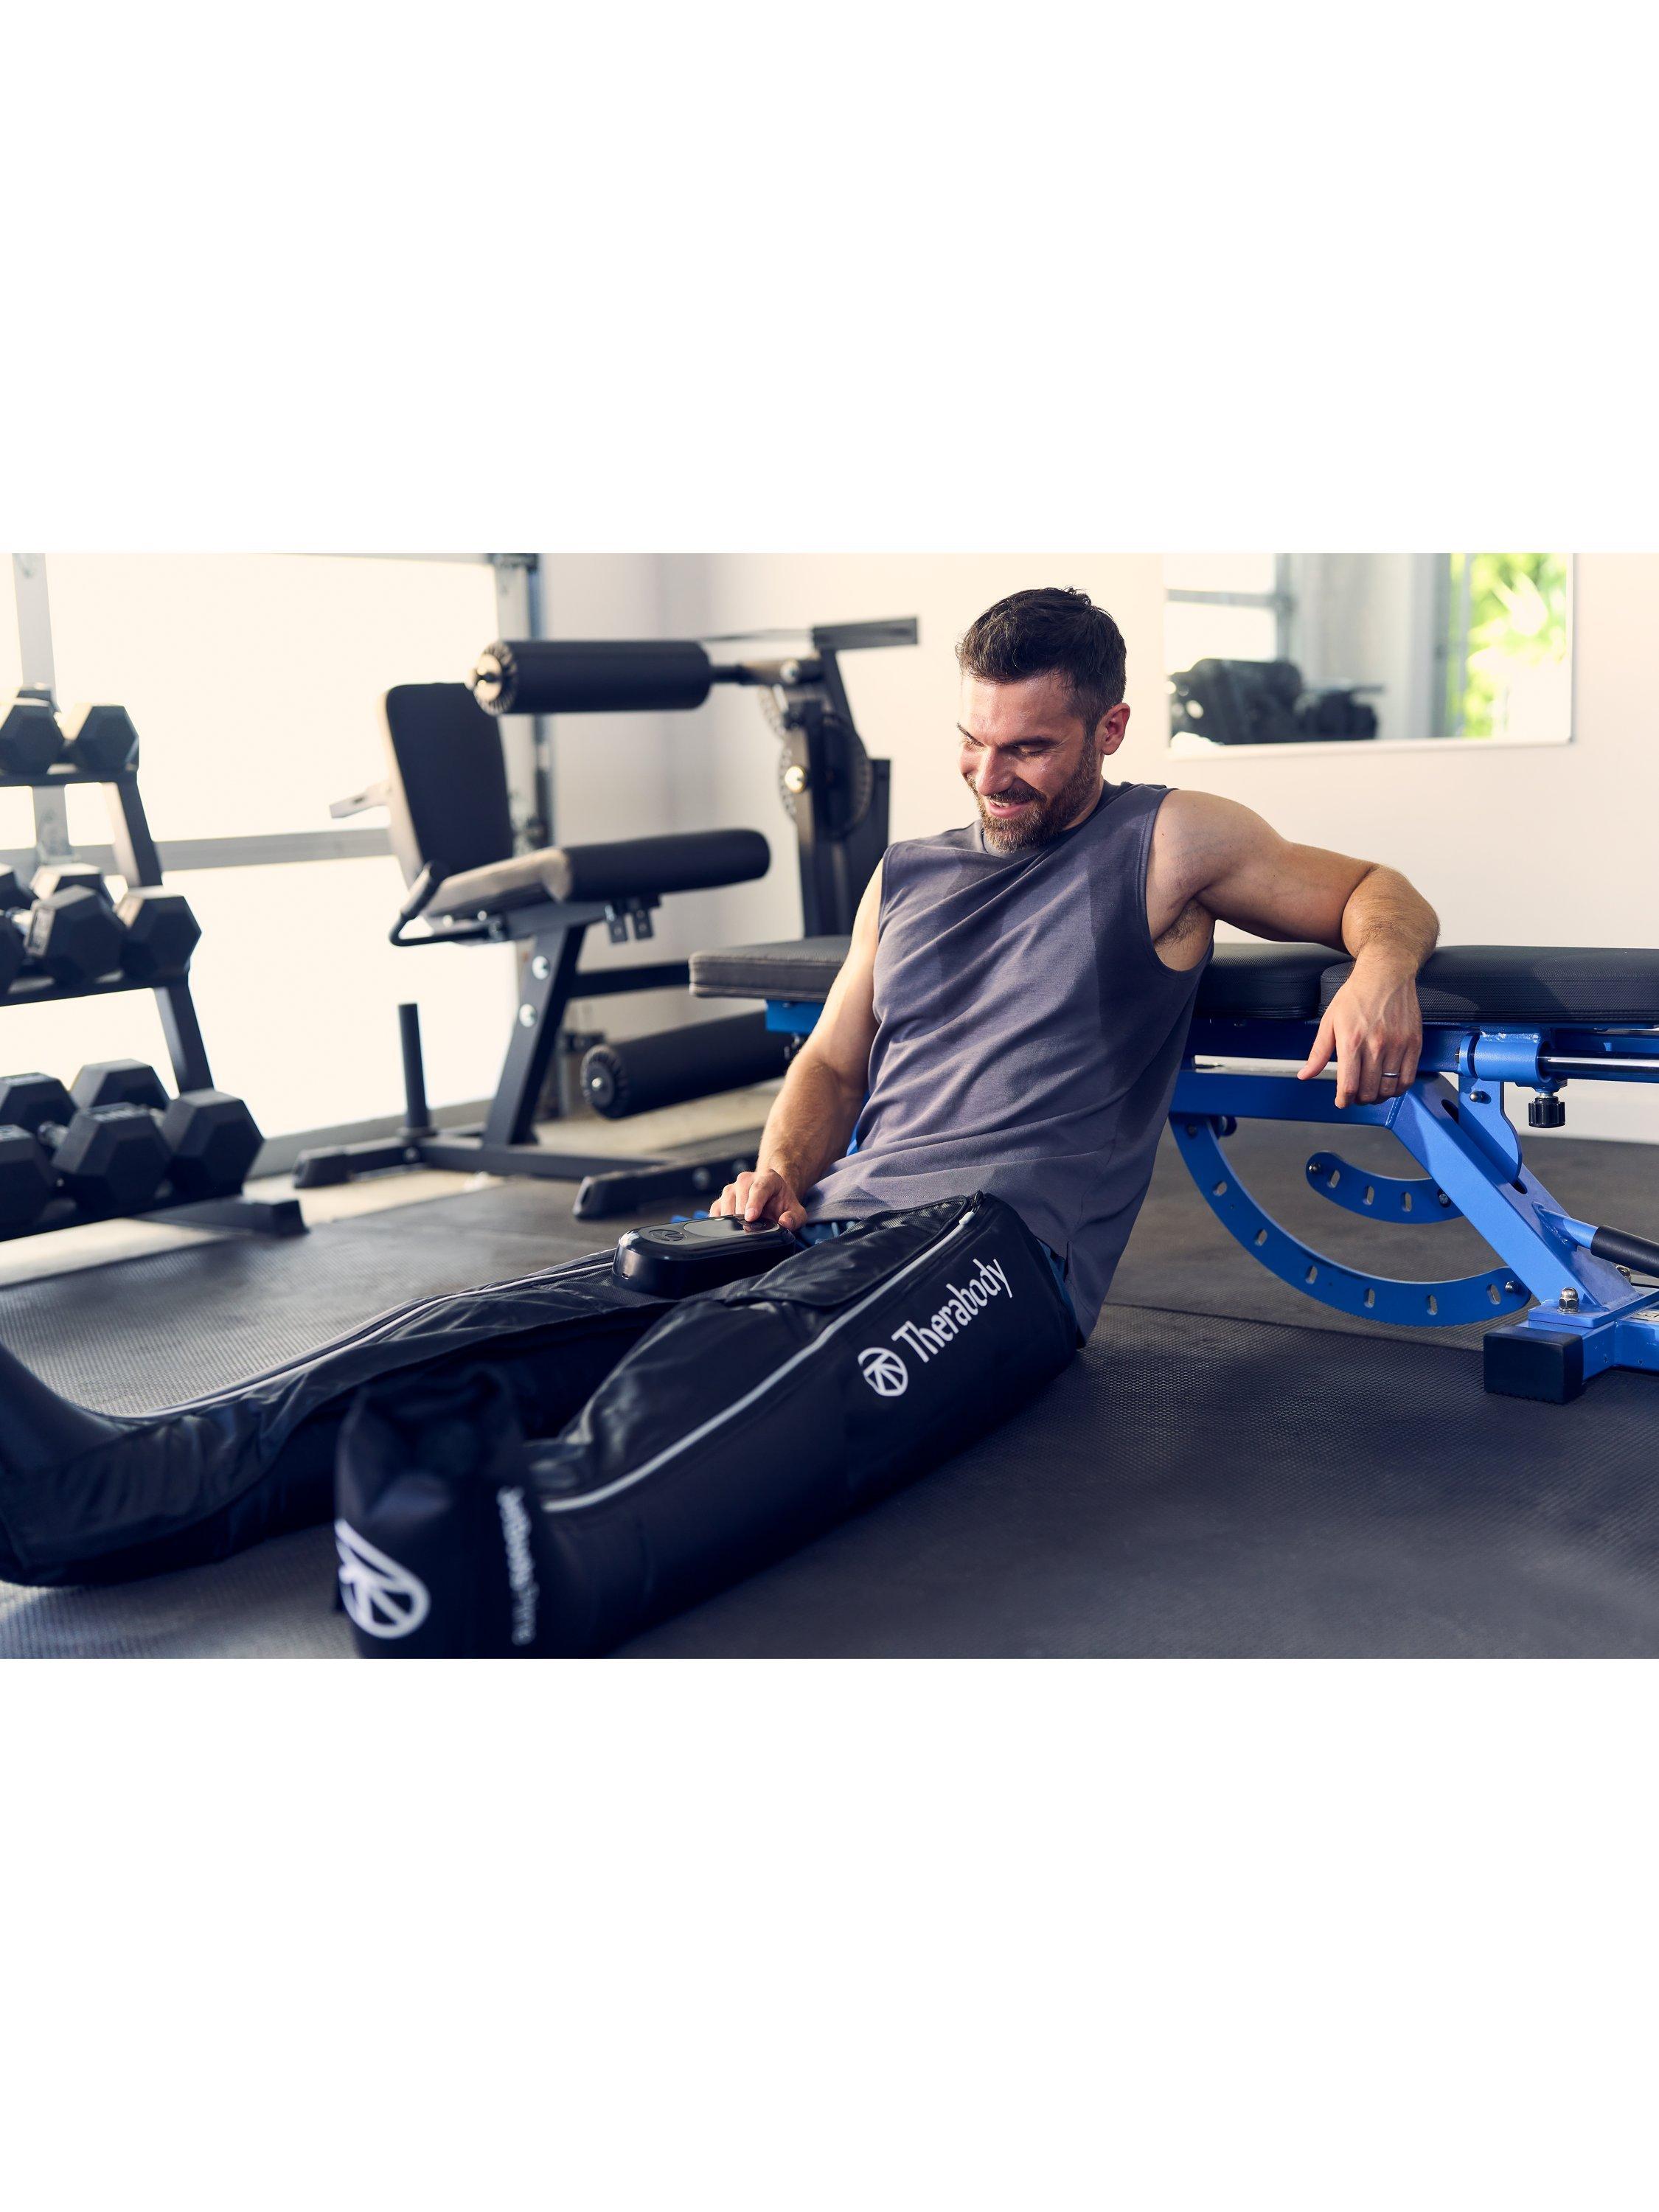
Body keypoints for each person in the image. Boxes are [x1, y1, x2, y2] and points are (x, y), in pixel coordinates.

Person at [712, 586, 1439, 1340]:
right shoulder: (904, 874)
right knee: (645, 1308)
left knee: (736, 1374)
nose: (989, 778)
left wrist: (1381, 972)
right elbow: (832, 1067)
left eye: (1028, 749)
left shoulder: (1168, 841)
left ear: (1110, 729)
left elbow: (1374, 888)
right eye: (973, 741)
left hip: (990, 1252)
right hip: (830, 1225)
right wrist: (779, 1177)